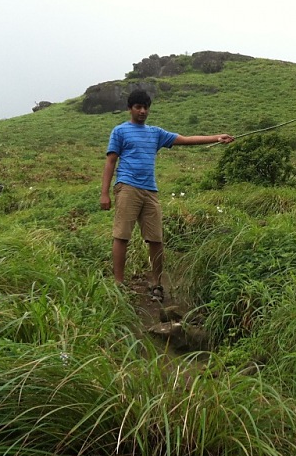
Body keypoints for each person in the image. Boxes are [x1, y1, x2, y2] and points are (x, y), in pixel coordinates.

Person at [100, 89, 234, 299]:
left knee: (156, 239)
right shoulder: (120, 131)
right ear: (130, 109)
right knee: (122, 235)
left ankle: (156, 284)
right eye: (138, 107)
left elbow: (187, 139)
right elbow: (110, 162)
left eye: (146, 107)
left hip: (150, 190)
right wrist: (104, 193)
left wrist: (217, 137)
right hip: (127, 187)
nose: (142, 111)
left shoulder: (156, 133)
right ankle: (118, 283)